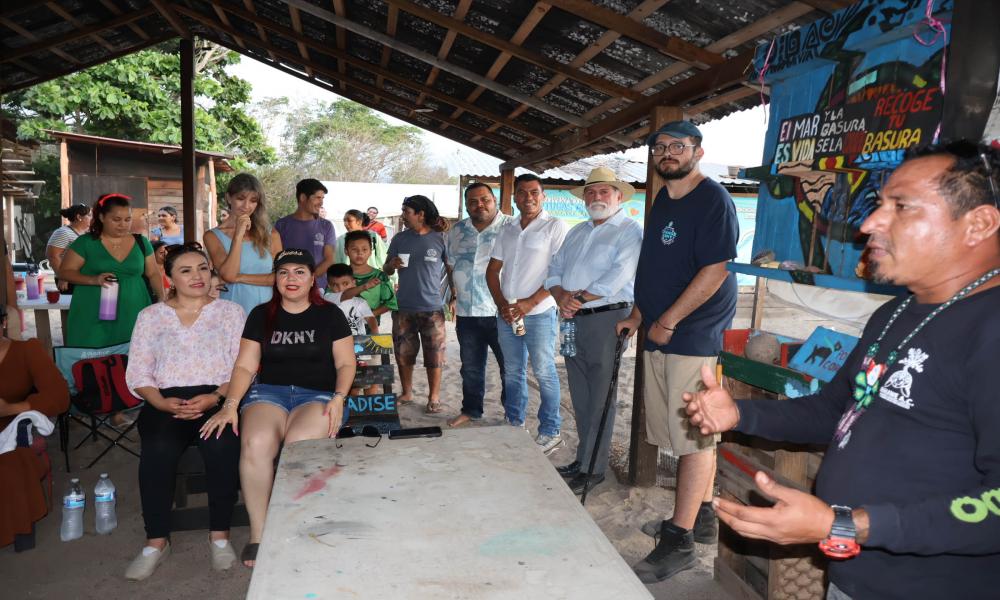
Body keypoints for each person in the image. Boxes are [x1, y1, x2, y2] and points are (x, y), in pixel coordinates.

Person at [684, 141, 1000, 600]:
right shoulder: (895, 313)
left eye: (901, 206)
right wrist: (739, 414)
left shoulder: (991, 329)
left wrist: (848, 524)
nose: (869, 223)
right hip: (854, 579)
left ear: (979, 224)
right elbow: (836, 410)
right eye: (879, 204)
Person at [616, 120, 738, 582]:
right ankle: (701, 516)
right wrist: (639, 314)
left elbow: (716, 270)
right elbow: (654, 266)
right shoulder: (665, 198)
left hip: (692, 333)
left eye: (677, 146)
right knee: (681, 432)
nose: (667, 153)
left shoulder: (714, 199)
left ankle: (679, 539)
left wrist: (668, 321)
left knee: (695, 438)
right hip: (661, 329)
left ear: (698, 151)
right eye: (659, 147)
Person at [200, 249, 356, 568]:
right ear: (276, 280)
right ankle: (259, 535)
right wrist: (230, 405)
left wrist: (340, 397)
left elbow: (345, 363)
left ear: (312, 279)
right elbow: (245, 366)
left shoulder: (330, 315)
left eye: (299, 272)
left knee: (299, 444)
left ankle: (296, 525)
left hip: (318, 395)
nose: (291, 278)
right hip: (269, 393)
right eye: (284, 272)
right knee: (256, 442)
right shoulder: (261, 315)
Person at [124, 243, 245, 580]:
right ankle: (156, 542)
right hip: (165, 400)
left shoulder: (230, 312)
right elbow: (138, 371)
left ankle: (219, 536)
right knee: (158, 450)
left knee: (221, 447)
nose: (197, 276)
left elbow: (243, 365)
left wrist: (216, 397)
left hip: (218, 397)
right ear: (171, 278)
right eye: (186, 270)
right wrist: (159, 402)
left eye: (203, 268)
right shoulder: (151, 316)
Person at [546, 167, 643, 493]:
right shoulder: (577, 231)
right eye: (590, 192)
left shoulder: (629, 230)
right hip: (571, 319)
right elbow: (554, 268)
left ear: (618, 196)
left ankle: (594, 469)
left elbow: (619, 275)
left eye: (604, 191)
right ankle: (583, 460)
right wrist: (561, 296)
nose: (596, 197)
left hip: (606, 319)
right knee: (580, 393)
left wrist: (578, 299)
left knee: (601, 396)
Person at [486, 174, 568, 453]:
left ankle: (550, 431)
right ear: (515, 198)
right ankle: (514, 423)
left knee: (544, 371)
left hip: (540, 313)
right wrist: (502, 305)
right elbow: (492, 271)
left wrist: (530, 303)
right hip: (507, 314)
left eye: (534, 192)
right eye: (522, 192)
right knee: (512, 371)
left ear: (544, 196)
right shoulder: (508, 228)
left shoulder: (554, 226)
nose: (528, 197)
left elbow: (560, 272)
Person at [0, 303, 70, 548]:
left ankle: (18, 528)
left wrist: (11, 408)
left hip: (9, 427)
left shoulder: (25, 351)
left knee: (10, 462)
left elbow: (59, 397)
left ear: (3, 323)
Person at [57, 193, 164, 348]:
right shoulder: (85, 243)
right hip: (92, 310)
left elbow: (153, 273)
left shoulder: (142, 242)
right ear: (101, 217)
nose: (123, 225)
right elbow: (64, 272)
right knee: (92, 355)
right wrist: (94, 280)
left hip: (134, 309)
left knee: (135, 354)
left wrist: (161, 298)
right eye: (116, 219)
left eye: (127, 219)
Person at [445, 183, 512, 428]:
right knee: (471, 367)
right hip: (467, 311)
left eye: (485, 199)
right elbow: (451, 264)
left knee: (509, 367)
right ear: (466, 205)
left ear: (495, 200)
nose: (479, 205)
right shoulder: (457, 230)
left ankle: (512, 413)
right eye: (472, 201)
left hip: (501, 311)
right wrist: (454, 295)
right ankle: (471, 410)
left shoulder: (512, 227)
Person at [383, 195, 452, 413]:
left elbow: (450, 269)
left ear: (420, 214)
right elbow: (386, 269)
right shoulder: (399, 239)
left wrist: (454, 296)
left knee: (435, 355)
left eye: (406, 211)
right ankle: (407, 393)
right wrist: (392, 264)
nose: (403, 215)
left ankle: (434, 397)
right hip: (403, 307)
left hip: (432, 308)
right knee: (404, 353)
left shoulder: (440, 239)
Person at [204, 173, 282, 316]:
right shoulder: (213, 236)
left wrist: (239, 278)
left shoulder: (270, 234)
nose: (246, 206)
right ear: (229, 198)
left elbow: (280, 277)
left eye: (253, 200)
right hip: (233, 311)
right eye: (240, 198)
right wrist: (238, 235)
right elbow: (228, 275)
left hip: (267, 310)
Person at [273, 179, 336, 289]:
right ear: (302, 197)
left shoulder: (326, 226)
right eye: (317, 198)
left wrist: (308, 280)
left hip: (318, 289)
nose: (321, 203)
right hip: (289, 288)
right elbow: (276, 260)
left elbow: (329, 259)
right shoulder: (281, 225)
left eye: (322, 199)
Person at [339, 230, 397, 326]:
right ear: (346, 251)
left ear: (371, 251)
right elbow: (330, 298)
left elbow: (391, 303)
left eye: (364, 249)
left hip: (370, 328)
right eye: (354, 249)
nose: (360, 253)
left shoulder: (380, 276)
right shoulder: (339, 275)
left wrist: (369, 315)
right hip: (342, 328)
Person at [45, 204, 91, 292]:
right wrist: (63, 277)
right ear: (79, 217)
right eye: (89, 215)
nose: (92, 218)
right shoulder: (63, 232)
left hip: (82, 279)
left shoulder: (85, 234)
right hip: (69, 280)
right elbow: (52, 256)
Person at [324, 263, 378, 336]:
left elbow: (370, 318)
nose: (340, 289)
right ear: (329, 286)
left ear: (353, 283)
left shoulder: (360, 302)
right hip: (337, 341)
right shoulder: (328, 298)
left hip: (359, 341)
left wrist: (375, 332)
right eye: (335, 285)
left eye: (345, 284)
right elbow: (345, 294)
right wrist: (365, 286)